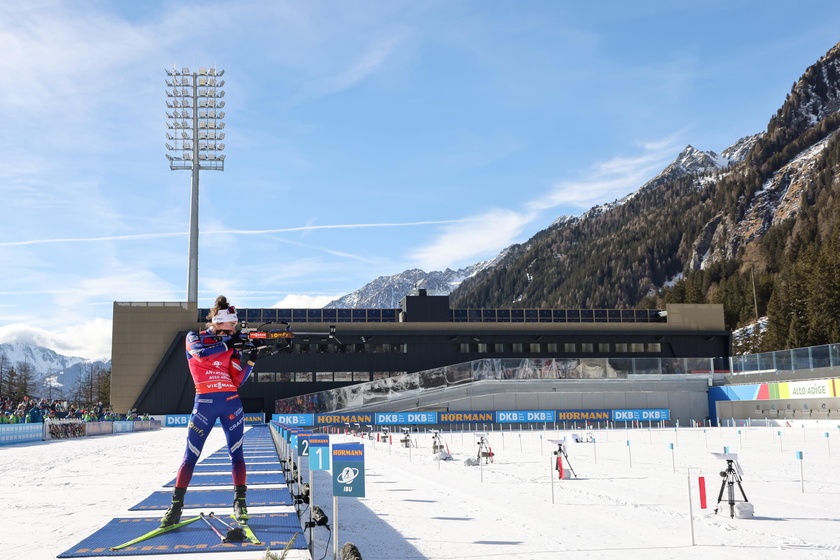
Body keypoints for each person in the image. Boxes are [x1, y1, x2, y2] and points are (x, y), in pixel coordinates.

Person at [159, 295, 269, 528]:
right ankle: (176, 506)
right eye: (231, 324)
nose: (235, 328)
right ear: (218, 321)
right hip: (204, 404)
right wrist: (231, 344)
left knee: (236, 454)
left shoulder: (233, 346)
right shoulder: (195, 336)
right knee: (190, 456)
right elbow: (200, 354)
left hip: (231, 402)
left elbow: (237, 380)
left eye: (235, 325)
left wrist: (253, 358)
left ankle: (240, 503)